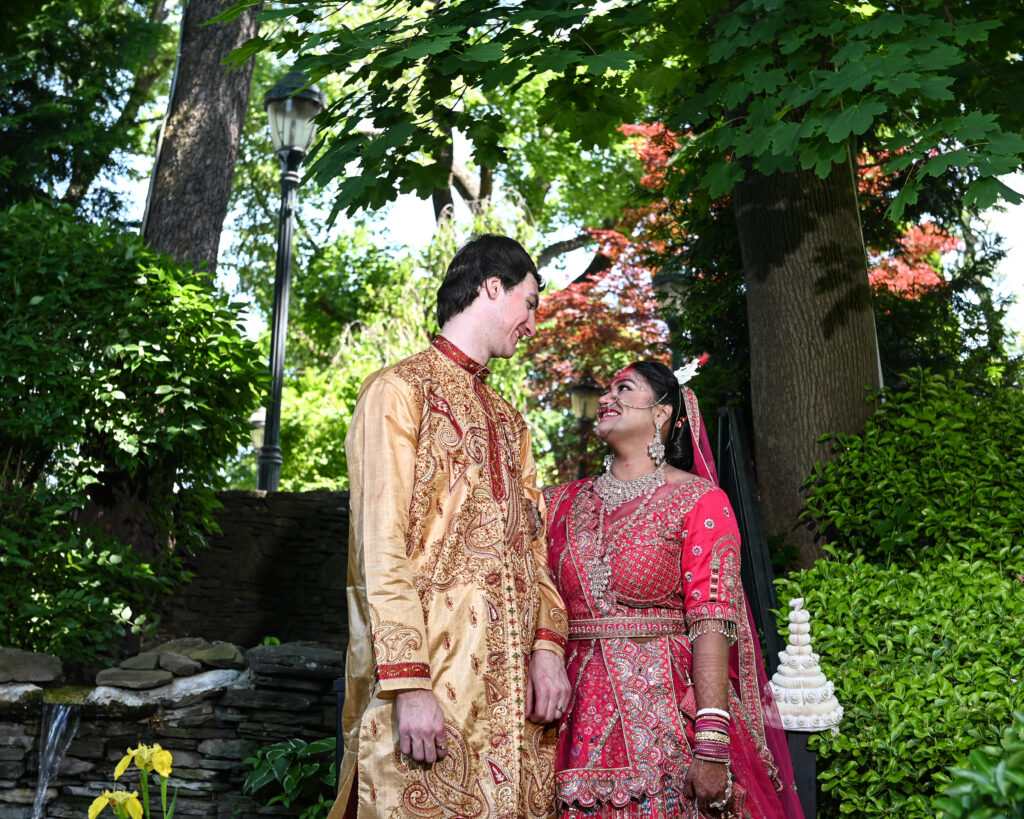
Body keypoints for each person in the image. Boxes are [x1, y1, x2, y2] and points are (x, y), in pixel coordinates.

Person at [329, 234, 572, 819]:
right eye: (530, 303)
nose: (533, 323)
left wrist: (547, 647)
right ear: (492, 286)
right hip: (431, 682)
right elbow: (379, 548)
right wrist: (410, 684)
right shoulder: (397, 392)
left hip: (513, 702)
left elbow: (533, 550)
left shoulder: (511, 423)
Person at [542, 360, 804, 819]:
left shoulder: (698, 500)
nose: (606, 398)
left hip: (665, 725)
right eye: (606, 389)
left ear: (662, 412)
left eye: (624, 388)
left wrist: (712, 742)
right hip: (562, 717)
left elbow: (711, 624)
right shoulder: (557, 502)